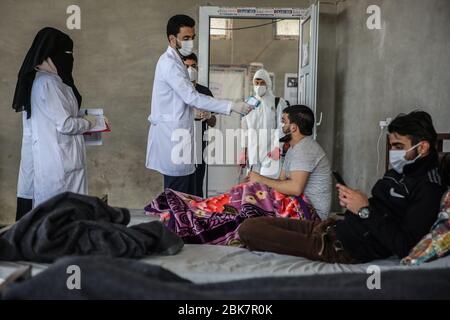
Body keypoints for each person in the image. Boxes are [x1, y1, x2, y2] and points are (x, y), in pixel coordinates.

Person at [239, 110, 447, 264]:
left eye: (399, 147)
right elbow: (384, 209)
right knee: (253, 222)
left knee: (250, 230)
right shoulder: (402, 170)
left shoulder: (429, 188)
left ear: (423, 147)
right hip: (331, 228)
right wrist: (356, 201)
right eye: (392, 146)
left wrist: (364, 210)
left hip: (339, 247)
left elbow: (406, 246)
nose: (393, 152)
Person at [145, 15, 251, 195]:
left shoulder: (177, 62)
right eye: (186, 38)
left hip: (182, 141)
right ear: (172, 39)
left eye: (192, 38)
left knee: (187, 197)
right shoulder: (169, 64)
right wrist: (232, 106)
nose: (190, 42)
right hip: (173, 141)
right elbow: (192, 97)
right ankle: (171, 225)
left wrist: (210, 115)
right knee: (177, 200)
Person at [12, 27, 96, 219]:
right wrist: (88, 123)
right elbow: (65, 124)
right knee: (60, 219)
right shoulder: (47, 83)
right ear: (51, 56)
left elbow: (61, 115)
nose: (69, 59)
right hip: (58, 165)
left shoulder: (54, 81)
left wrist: (85, 117)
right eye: (66, 54)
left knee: (67, 218)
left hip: (65, 160)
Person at [245, 105, 332, 220]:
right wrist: (255, 181)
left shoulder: (304, 149)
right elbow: (281, 181)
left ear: (294, 128)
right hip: (298, 205)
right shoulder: (293, 148)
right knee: (246, 193)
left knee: (247, 207)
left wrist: (261, 179)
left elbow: (295, 188)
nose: (280, 127)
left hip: (311, 215)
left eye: (283, 122)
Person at [240, 69, 289, 178]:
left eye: (262, 82)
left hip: (271, 153)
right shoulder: (249, 103)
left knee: (269, 186)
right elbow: (245, 129)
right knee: (253, 189)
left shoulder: (278, 102)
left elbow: (282, 127)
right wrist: (243, 151)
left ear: (268, 83)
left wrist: (278, 147)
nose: (259, 86)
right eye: (256, 83)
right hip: (253, 155)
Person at [183, 53, 216, 197]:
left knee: (197, 184)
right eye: (187, 66)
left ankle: (197, 215)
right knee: (182, 185)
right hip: (180, 144)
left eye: (193, 66)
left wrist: (209, 116)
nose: (190, 70)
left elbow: (213, 122)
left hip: (199, 146)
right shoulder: (177, 90)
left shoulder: (204, 92)